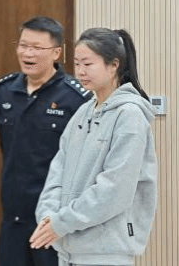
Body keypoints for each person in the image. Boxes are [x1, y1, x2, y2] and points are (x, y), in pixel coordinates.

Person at [30, 28, 157, 266]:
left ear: (114, 65)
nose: (80, 71)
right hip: (67, 250)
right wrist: (48, 216)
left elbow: (114, 190)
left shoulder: (129, 115)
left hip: (106, 253)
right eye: (77, 63)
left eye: (88, 64)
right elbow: (57, 171)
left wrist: (61, 222)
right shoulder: (83, 112)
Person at [0, 16, 91, 266]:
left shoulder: (76, 97)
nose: (28, 53)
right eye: (23, 45)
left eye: (37, 47)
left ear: (56, 52)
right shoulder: (5, 90)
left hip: (53, 219)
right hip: (13, 217)